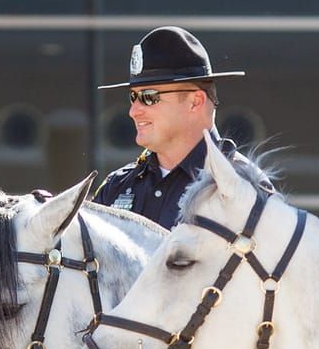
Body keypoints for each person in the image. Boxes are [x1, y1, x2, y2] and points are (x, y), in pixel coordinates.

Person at [95, 27, 262, 229]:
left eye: (149, 97)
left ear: (195, 101)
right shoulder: (117, 186)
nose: (133, 111)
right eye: (133, 97)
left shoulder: (244, 188)